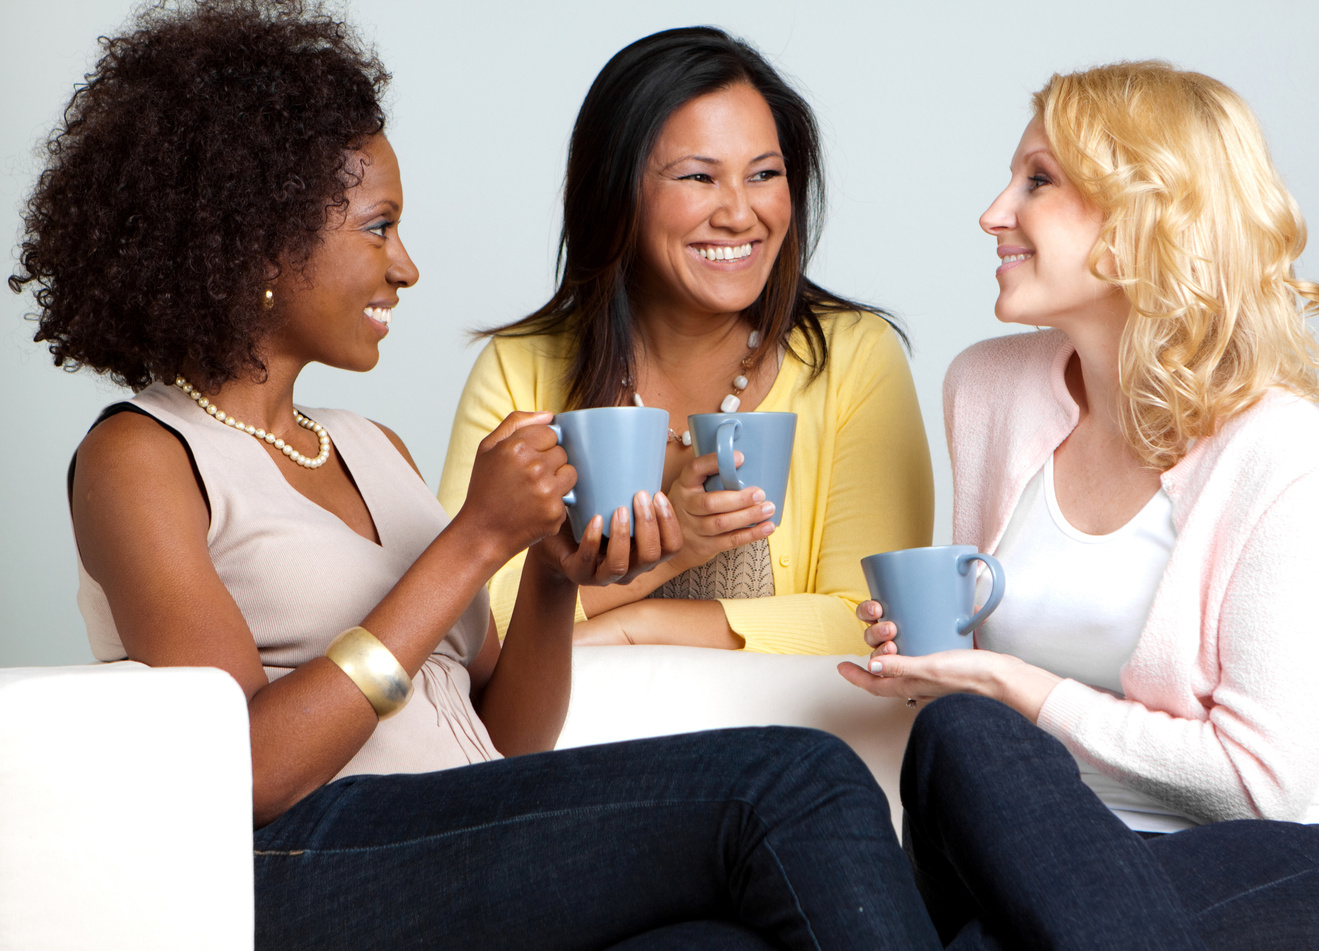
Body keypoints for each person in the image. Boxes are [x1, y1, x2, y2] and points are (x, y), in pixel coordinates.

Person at [9, 3, 946, 949]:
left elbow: (507, 739)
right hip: (299, 861)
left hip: (464, 829)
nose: (406, 267)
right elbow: (245, 771)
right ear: (261, 241)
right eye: (378, 229)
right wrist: (474, 541)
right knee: (794, 781)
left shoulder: (371, 447)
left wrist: (548, 572)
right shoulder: (142, 456)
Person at [840, 62, 1319, 949]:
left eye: (1038, 181)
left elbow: (1261, 786)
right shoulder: (986, 389)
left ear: (1144, 217)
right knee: (956, 734)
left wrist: (1009, 682)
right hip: (1035, 842)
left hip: (1271, 859)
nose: (994, 212)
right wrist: (939, 664)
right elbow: (981, 705)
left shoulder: (1276, 446)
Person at [436, 27, 933, 654]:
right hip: (576, 747)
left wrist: (633, 627)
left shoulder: (855, 356)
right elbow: (462, 622)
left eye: (764, 174)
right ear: (615, 193)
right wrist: (673, 558)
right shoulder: (522, 368)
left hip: (789, 747)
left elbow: (873, 623)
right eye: (699, 177)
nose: (738, 213)